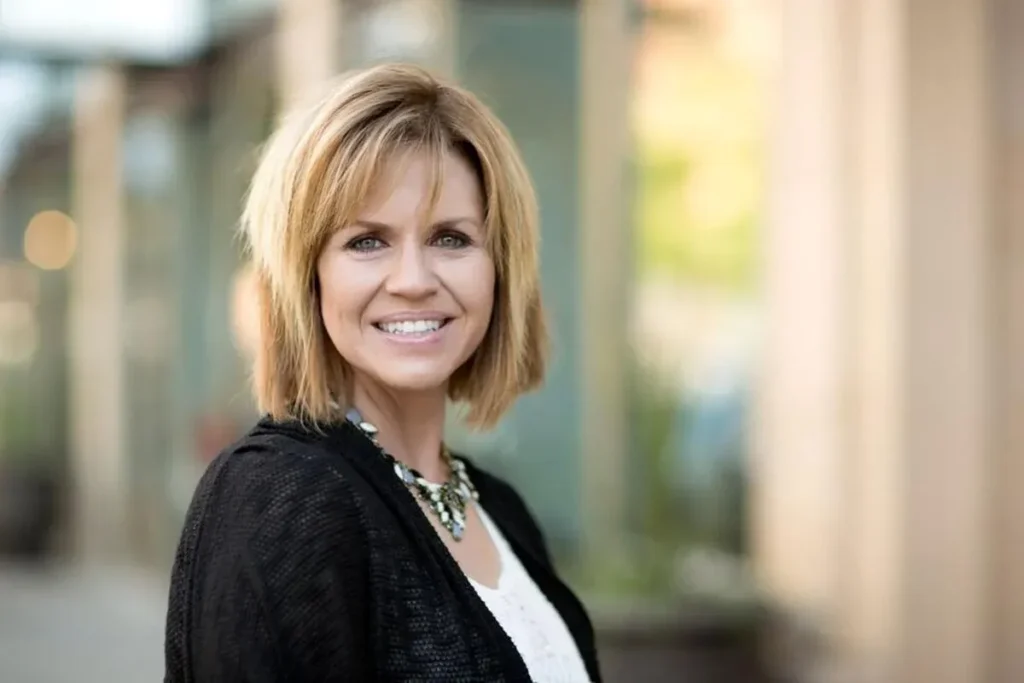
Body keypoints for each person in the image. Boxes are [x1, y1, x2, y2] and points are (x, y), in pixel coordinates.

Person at [163, 63, 601, 682]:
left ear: (500, 268)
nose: (415, 281)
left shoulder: (503, 510)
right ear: (307, 279)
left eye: (451, 238)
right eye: (367, 242)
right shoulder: (283, 499)